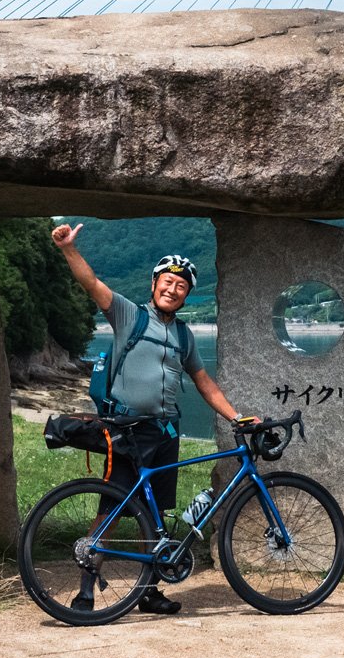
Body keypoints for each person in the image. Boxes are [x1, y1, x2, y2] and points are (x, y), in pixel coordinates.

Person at [50, 221, 255, 616]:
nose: (172, 289)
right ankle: (86, 591)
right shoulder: (130, 315)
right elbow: (92, 284)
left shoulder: (184, 336)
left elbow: (204, 383)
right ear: (154, 284)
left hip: (166, 432)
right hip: (128, 432)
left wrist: (237, 417)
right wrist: (68, 249)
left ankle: (147, 591)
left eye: (181, 285)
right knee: (110, 512)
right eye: (167, 281)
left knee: (155, 515)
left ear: (186, 294)